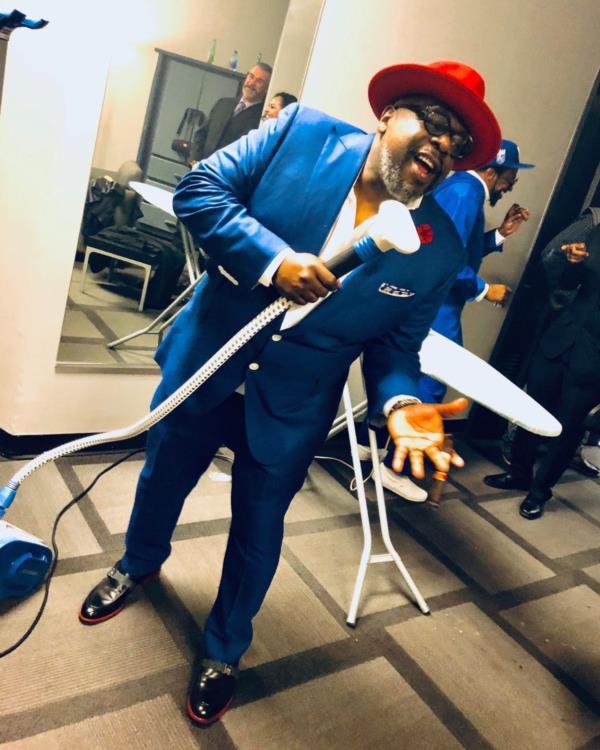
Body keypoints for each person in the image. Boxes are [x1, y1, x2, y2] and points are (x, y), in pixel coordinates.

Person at [78, 60, 500, 725]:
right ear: (388, 116)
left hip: (294, 406)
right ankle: (138, 563)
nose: (443, 146)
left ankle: (225, 648)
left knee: (258, 531)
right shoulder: (299, 135)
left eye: (459, 144)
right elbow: (199, 190)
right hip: (207, 363)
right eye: (434, 121)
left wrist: (400, 404)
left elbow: (396, 347)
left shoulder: (439, 249)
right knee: (161, 479)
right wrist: (273, 262)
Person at [378, 139, 534, 502]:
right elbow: (446, 257)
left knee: (405, 372)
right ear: (492, 172)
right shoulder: (467, 193)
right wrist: (484, 289)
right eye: (510, 178)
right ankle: (394, 468)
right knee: (430, 386)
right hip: (437, 304)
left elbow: (459, 246)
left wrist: (499, 235)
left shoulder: (461, 187)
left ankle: (380, 446)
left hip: (429, 297)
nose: (510, 186)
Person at [484, 208, 600, 519]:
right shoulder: (598, 231)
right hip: (559, 338)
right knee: (531, 409)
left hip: (594, 358)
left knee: (568, 428)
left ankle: (539, 492)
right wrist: (573, 264)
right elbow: (572, 283)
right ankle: (519, 472)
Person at [189, 63, 272, 164]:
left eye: (259, 81)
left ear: (267, 88)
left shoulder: (262, 121)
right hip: (201, 168)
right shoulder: (223, 103)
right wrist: (195, 162)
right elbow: (201, 134)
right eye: (251, 76)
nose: (251, 83)